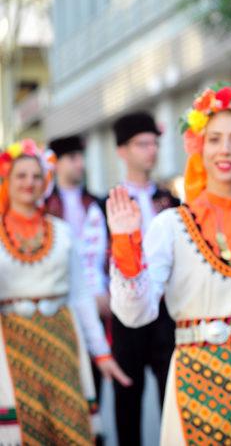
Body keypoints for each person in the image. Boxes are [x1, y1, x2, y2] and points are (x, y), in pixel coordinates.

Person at [107, 84, 231, 445]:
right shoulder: (168, 226)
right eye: (214, 139)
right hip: (198, 374)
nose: (226, 150)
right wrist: (125, 246)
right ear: (199, 146)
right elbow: (136, 313)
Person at [0, 139, 129, 444]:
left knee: (68, 426)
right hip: (11, 341)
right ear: (6, 179)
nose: (29, 183)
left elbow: (81, 296)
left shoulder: (62, 232)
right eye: (21, 175)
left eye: (36, 176)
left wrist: (101, 353)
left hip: (61, 338)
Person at [109, 111, 179, 446]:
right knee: (127, 400)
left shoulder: (172, 201)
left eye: (154, 143)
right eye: (142, 144)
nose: (151, 150)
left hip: (168, 312)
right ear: (122, 150)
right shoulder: (105, 202)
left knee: (174, 398)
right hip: (126, 312)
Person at [46, 134, 112, 407]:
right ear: (58, 163)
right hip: (59, 306)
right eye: (73, 158)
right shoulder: (45, 207)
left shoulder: (97, 204)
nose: (80, 164)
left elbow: (109, 254)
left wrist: (108, 291)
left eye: (81, 158)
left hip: (99, 302)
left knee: (96, 384)